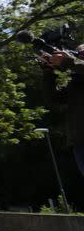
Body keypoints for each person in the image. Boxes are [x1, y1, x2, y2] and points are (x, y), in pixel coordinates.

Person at [42, 45, 84, 177]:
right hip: (80, 143)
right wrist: (49, 71)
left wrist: (68, 61)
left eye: (82, 53)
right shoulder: (76, 82)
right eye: (78, 54)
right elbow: (54, 99)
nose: (79, 56)